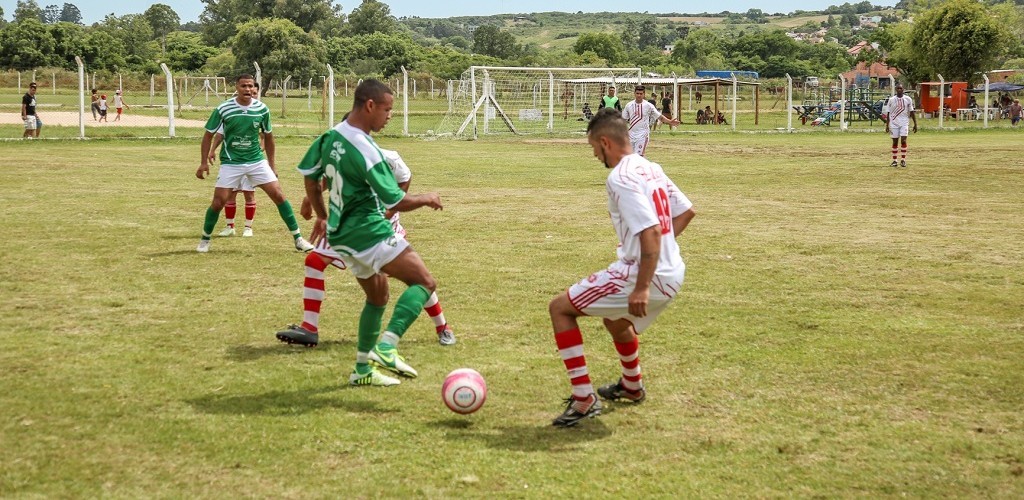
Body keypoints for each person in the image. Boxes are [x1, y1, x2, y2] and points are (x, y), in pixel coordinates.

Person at [288, 79, 444, 387]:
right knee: (424, 282)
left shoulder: (330, 136)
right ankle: (386, 347)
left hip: (341, 234)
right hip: (367, 229)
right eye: (387, 110)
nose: (389, 116)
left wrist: (322, 216)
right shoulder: (366, 147)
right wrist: (428, 198)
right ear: (370, 106)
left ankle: (362, 370)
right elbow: (396, 200)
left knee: (378, 296)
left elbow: (310, 179)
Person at [548, 107, 696, 427]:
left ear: (605, 142)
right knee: (614, 319)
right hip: (674, 271)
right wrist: (662, 250)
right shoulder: (650, 167)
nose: (594, 155)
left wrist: (642, 284)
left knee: (560, 308)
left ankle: (584, 399)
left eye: (592, 148)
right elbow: (685, 212)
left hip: (646, 274)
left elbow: (651, 231)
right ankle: (632, 386)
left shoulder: (620, 177)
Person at [277, 144, 457, 348]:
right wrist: (309, 199)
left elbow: (401, 189)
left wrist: (383, 217)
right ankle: (309, 328)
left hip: (381, 226)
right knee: (314, 261)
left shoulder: (391, 160)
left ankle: (443, 327)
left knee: (415, 278)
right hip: (349, 224)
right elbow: (326, 178)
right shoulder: (343, 154)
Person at [195, 74, 314, 253]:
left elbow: (269, 138)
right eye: (243, 86)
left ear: (255, 88)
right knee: (219, 202)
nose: (248, 89)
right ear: (236, 87)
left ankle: (298, 239)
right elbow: (208, 135)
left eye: (250, 86)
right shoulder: (223, 109)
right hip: (231, 163)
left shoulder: (262, 109)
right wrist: (203, 162)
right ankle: (205, 240)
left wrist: (272, 166)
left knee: (279, 196)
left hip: (256, 161)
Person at [213, 81, 264, 238]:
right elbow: (220, 134)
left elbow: (265, 135)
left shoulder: (259, 111)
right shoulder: (230, 111)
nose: (251, 94)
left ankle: (248, 227)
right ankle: (230, 226)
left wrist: (261, 148)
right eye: (248, 90)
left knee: (249, 194)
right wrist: (212, 150)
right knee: (230, 195)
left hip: (251, 161)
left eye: (254, 92)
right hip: (233, 162)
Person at [621, 85, 680, 157]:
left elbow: (659, 117)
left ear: (644, 94)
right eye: (637, 93)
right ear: (634, 94)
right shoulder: (629, 105)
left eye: (641, 94)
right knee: (631, 157)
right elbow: (623, 119)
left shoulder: (648, 106)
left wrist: (669, 121)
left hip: (643, 135)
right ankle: (642, 167)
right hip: (631, 135)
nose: (639, 95)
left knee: (639, 156)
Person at [884, 84, 917, 168]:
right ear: (896, 89)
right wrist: (887, 125)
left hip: (904, 123)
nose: (899, 89)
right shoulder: (891, 100)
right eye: (898, 88)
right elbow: (888, 113)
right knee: (895, 141)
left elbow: (912, 112)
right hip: (894, 123)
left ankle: (903, 160)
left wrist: (915, 124)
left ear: (903, 89)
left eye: (900, 88)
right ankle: (894, 161)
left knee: (903, 140)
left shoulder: (908, 99)